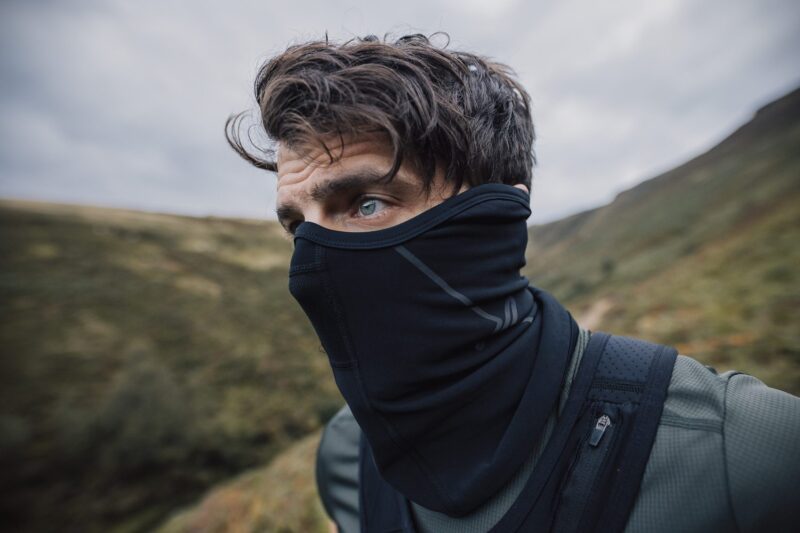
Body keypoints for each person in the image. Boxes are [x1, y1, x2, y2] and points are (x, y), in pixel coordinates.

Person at [226, 33, 800, 533]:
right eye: (298, 228)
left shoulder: (748, 449)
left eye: (366, 203)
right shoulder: (345, 456)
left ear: (497, 216)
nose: (313, 262)